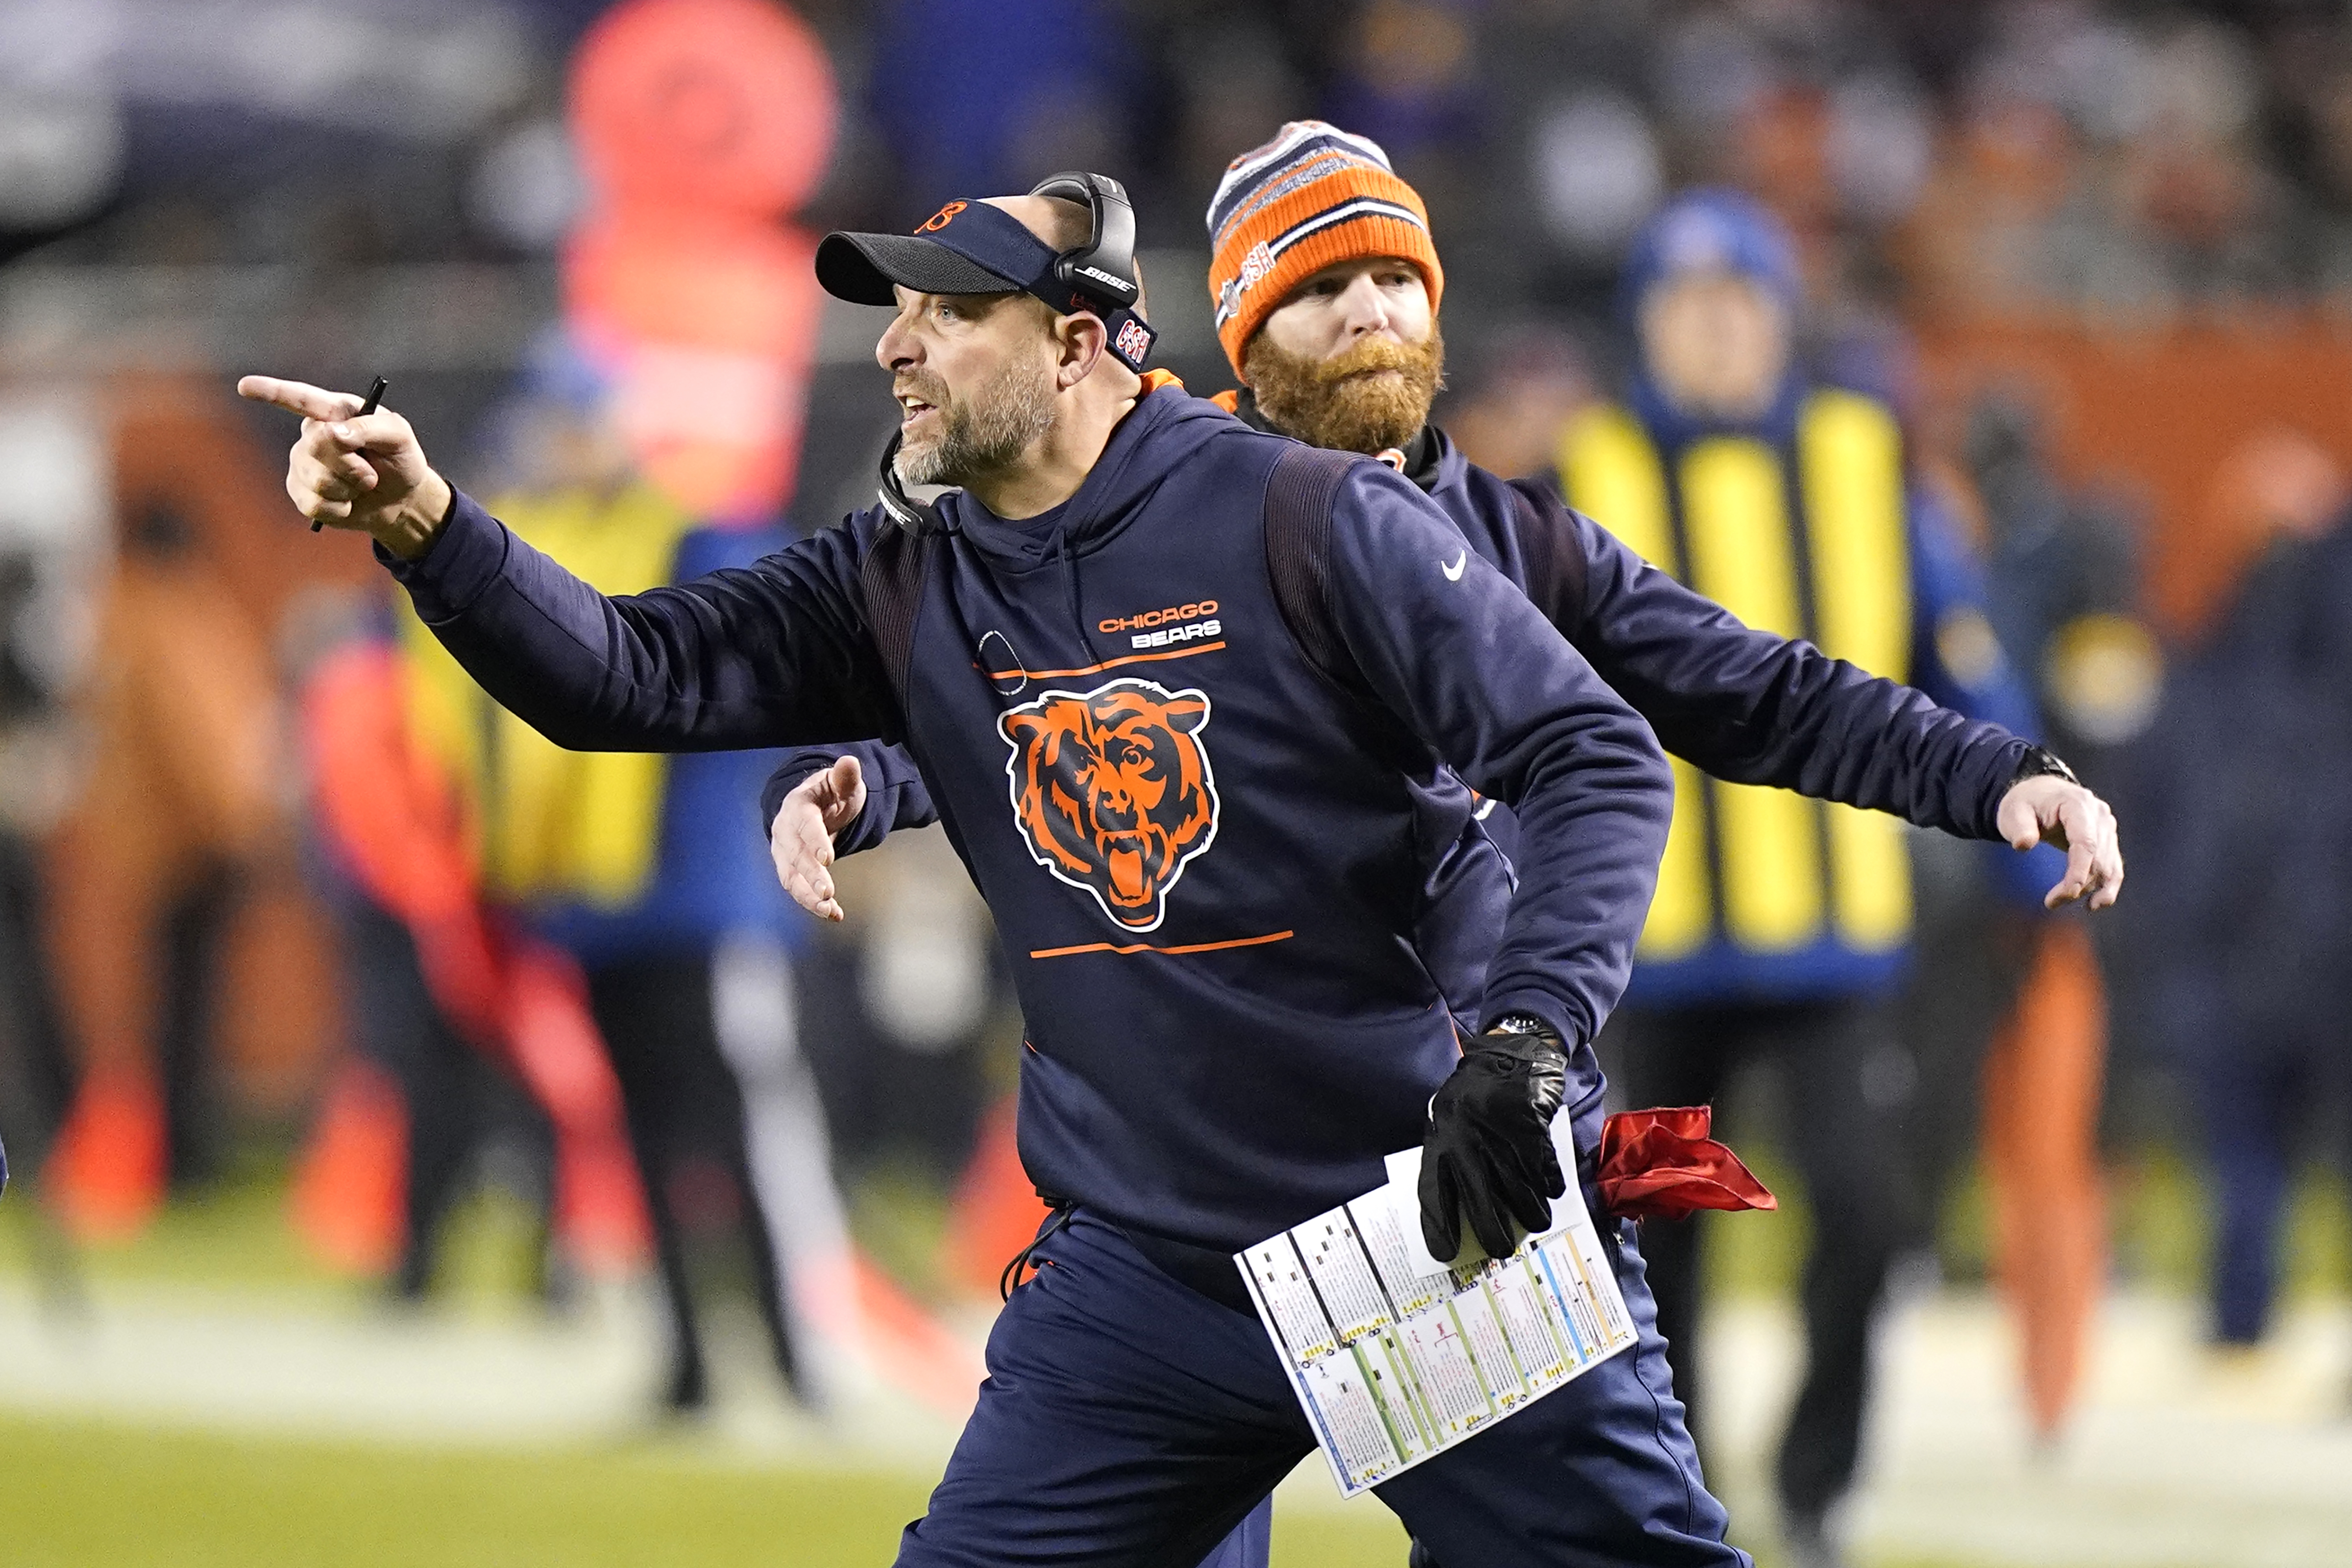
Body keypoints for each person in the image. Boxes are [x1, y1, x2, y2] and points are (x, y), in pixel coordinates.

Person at [244, 174, 1736, 1567]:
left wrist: (1536, 1035)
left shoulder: (1309, 515)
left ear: (1078, 342)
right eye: (897, 311)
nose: (897, 345)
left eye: (950, 314)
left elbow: (1594, 755)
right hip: (1145, 1272)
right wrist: (430, 528)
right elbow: (629, 675)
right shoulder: (906, 575)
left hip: (1415, 1231)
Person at [759, 129, 2121, 1568]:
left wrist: (1991, 771)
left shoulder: (1514, 541)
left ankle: (1804, 1479)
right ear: (1244, 333)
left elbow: (1753, 688)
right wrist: (876, 773)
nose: (1368, 316)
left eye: (1395, 281)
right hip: (1181, 1207)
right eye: (1318, 288)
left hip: (1440, 1181)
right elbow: (1040, 699)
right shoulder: (1155, 504)